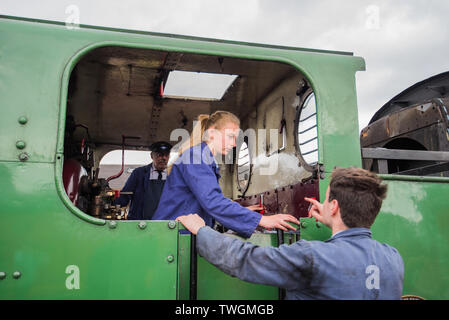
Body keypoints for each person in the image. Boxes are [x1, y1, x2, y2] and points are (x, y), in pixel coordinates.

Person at [176, 167, 404, 300]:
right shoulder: (393, 258)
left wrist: (201, 231)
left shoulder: (312, 257)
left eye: (326, 201)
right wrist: (332, 221)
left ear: (334, 207)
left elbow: (244, 260)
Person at [152, 111, 299, 238]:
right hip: (171, 234)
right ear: (211, 133)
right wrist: (262, 220)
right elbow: (212, 202)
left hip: (178, 232)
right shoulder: (195, 157)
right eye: (230, 136)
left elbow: (205, 202)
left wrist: (242, 212)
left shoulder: (204, 158)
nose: (234, 143)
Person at [114, 141, 172, 220]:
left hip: (165, 223)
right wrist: (111, 202)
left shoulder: (174, 176)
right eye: (160, 155)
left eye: (166, 155)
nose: (164, 158)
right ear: (152, 156)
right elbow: (125, 195)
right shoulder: (138, 173)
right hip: (140, 224)